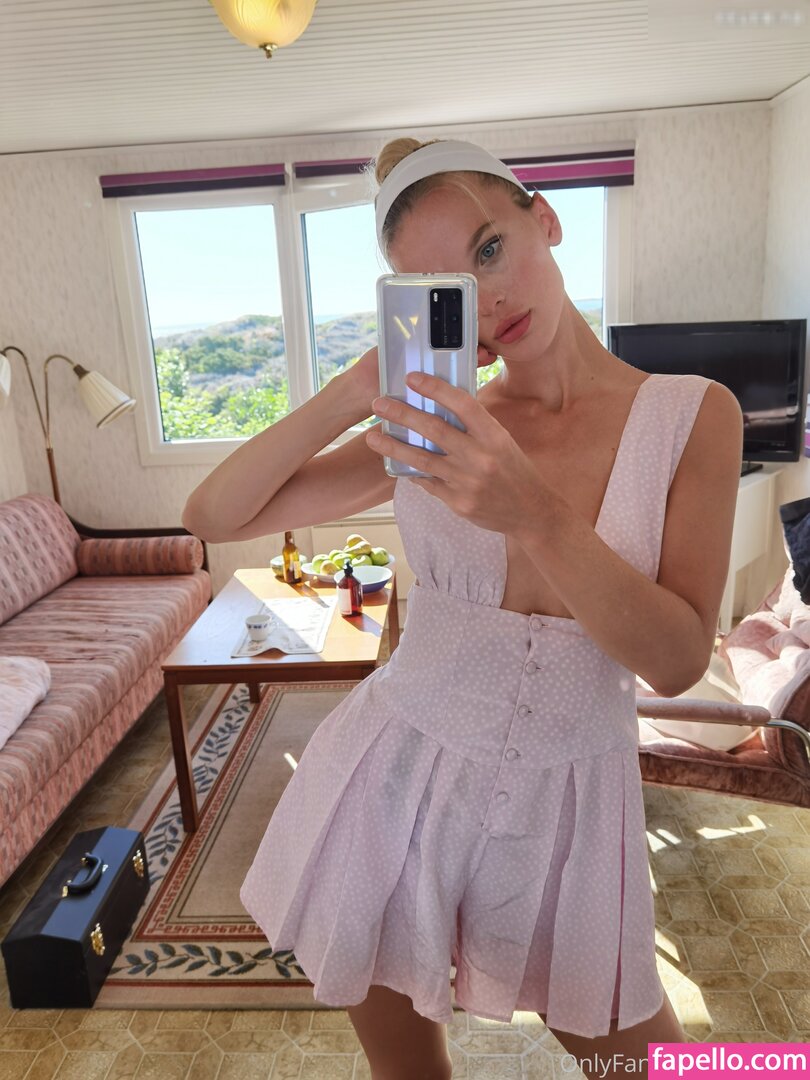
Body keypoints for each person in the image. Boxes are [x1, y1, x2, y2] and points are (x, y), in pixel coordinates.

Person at [181, 137, 743, 1079]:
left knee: (648, 1068)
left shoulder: (693, 414)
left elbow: (678, 657)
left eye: (490, 249)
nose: (487, 299)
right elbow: (212, 514)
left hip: (573, 810)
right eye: (444, 289)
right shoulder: (435, 428)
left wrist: (533, 513)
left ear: (545, 219)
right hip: (393, 785)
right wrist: (356, 390)